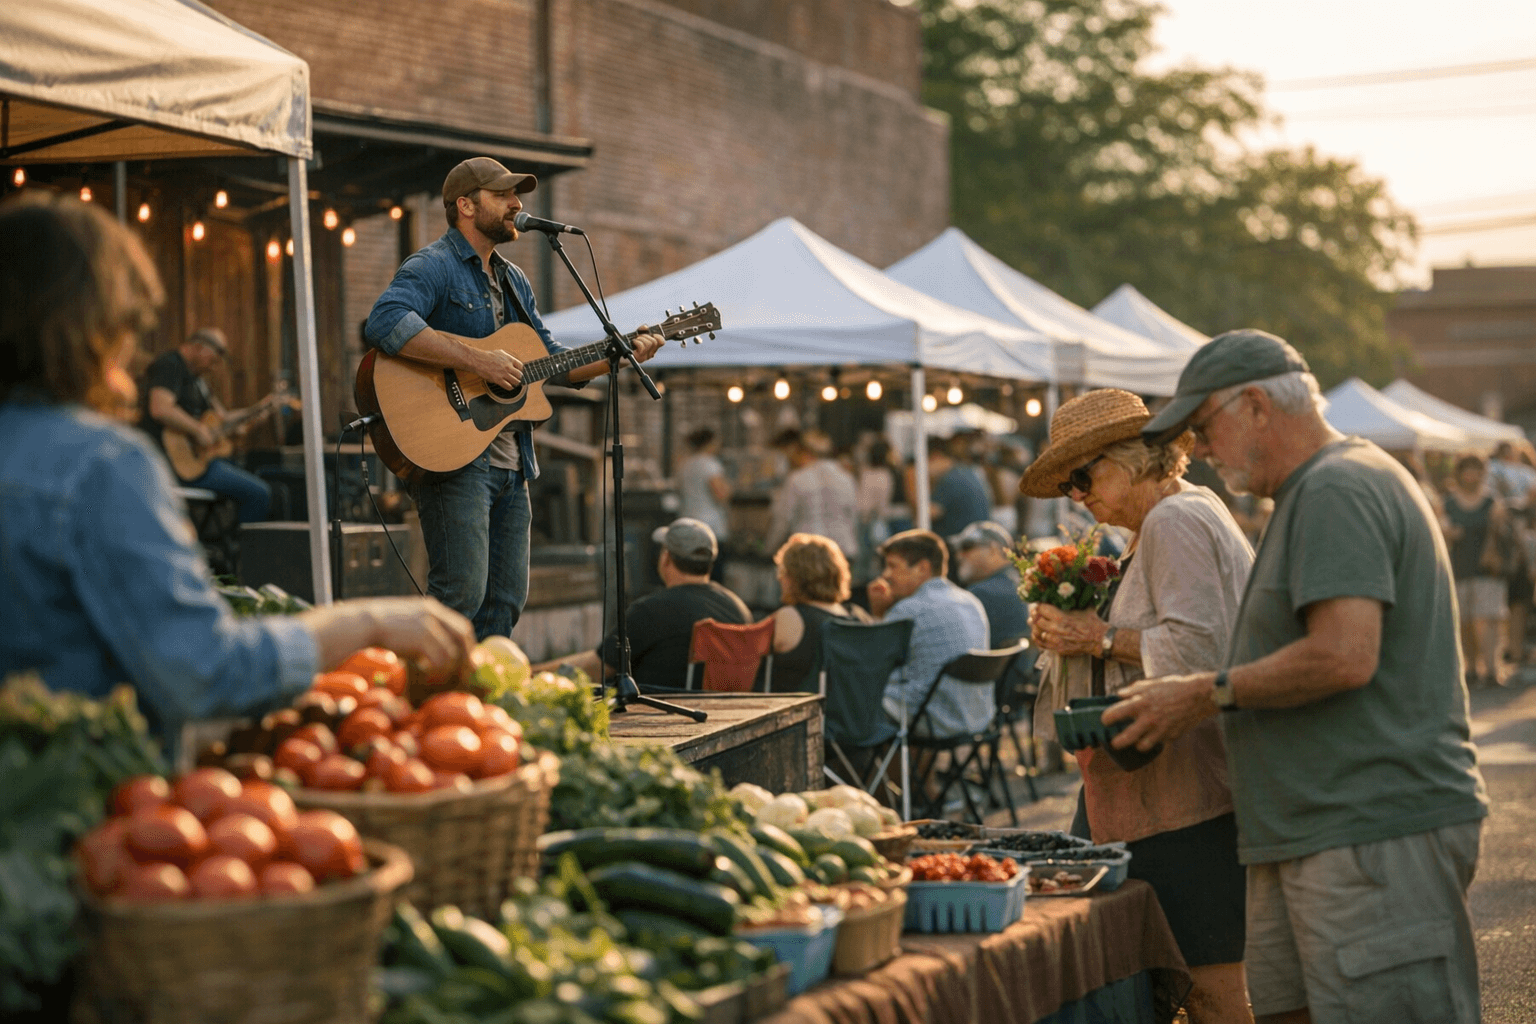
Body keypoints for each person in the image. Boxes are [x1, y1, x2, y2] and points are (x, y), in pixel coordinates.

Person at [1103, 330, 1489, 1024]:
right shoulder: (1318, 488)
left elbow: (1344, 653)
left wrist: (1202, 693)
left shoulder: (1337, 486)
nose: (1197, 451)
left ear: (1254, 405)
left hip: (1368, 830)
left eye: (1201, 427)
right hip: (1320, 831)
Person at [0, 193, 475, 744]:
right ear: (91, 324)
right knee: (256, 495)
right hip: (80, 807)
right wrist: (365, 622)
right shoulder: (103, 465)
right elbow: (204, 673)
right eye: (124, 328)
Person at [1019, 389, 1255, 1024]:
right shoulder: (1176, 515)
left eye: (1081, 475)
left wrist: (1092, 636)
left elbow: (1201, 647)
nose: (1075, 495)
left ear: (1129, 457)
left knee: (1210, 990)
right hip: (1159, 792)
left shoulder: (1174, 521)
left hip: (1185, 802)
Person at [364, 157, 664, 639]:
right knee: (460, 595)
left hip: (513, 462)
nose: (517, 204)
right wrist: (477, 362)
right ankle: (428, 705)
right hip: (455, 459)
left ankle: (483, 705)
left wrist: (622, 353)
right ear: (465, 205)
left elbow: (554, 363)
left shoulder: (515, 280)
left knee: (505, 600)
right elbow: (385, 322)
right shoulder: (433, 265)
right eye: (503, 194)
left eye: (516, 195)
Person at [535, 518, 750, 690]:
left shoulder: (651, 610)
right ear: (710, 564)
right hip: (724, 716)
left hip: (659, 720)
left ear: (665, 558)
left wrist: (535, 672)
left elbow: (597, 667)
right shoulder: (739, 609)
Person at [139, 327, 273, 523]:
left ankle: (231, 544)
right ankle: (243, 552)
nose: (215, 366)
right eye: (215, 357)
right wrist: (197, 429)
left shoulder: (199, 381)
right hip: (174, 464)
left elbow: (223, 419)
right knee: (260, 493)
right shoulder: (171, 365)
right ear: (198, 346)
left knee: (256, 472)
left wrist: (257, 410)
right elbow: (160, 408)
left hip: (201, 461)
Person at [867, 529, 992, 737]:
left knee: (852, 706)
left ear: (923, 568)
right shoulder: (971, 601)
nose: (885, 575)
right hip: (977, 717)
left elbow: (872, 667)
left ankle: (874, 771)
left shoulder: (909, 609)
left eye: (892, 566)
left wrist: (878, 614)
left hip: (931, 719)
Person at [768, 533, 871, 692]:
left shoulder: (790, 617)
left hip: (800, 713)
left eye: (783, 571)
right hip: (854, 716)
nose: (779, 578)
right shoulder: (861, 618)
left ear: (796, 577)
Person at [1443, 452, 1510, 687]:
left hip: (1487, 569)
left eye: (1475, 469)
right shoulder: (1449, 503)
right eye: (1466, 469)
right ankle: (1471, 668)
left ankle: (1493, 669)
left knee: (1490, 620)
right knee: (1464, 622)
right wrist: (1449, 533)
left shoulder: (1493, 502)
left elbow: (1503, 535)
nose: (1471, 474)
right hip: (1458, 568)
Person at [767, 428, 859, 559]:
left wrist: (769, 549)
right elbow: (854, 516)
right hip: (843, 550)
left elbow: (783, 519)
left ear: (802, 451)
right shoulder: (846, 478)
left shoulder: (797, 479)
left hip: (808, 553)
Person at [952, 521, 1029, 645]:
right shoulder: (1020, 583)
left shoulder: (981, 594)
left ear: (993, 549)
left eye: (967, 546)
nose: (959, 555)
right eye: (957, 549)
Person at [927, 437, 991, 540]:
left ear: (935, 457)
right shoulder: (965, 471)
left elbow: (929, 513)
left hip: (960, 542)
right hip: (976, 537)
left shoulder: (950, 479)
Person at [678, 427, 732, 544]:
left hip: (688, 522)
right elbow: (721, 495)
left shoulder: (685, 464)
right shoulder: (709, 464)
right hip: (710, 526)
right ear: (710, 443)